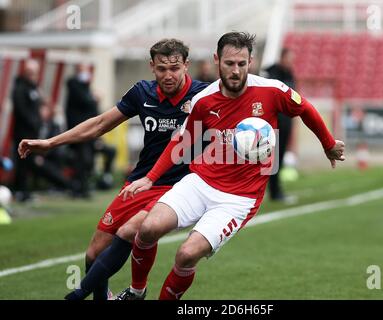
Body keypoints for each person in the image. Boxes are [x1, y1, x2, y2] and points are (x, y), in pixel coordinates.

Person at [115, 31, 345, 300]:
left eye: (242, 64)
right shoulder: (204, 100)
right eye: (229, 64)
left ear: (251, 61)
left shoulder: (272, 90)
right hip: (200, 182)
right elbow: (182, 141)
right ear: (216, 60)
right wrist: (150, 178)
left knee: (187, 253)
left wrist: (328, 144)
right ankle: (136, 292)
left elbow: (305, 109)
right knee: (148, 228)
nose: (236, 71)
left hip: (238, 199)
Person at [18, 39, 209, 300]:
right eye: (162, 68)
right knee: (94, 254)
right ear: (152, 66)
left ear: (186, 65)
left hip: (179, 186)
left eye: (175, 68)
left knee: (132, 230)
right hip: (141, 180)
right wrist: (51, 142)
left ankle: (129, 292)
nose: (168, 75)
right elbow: (99, 124)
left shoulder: (205, 94)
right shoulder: (142, 93)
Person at [12, 59, 74, 201]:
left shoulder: (34, 88)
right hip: (23, 133)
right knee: (23, 163)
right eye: (31, 71)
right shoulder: (21, 88)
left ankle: (25, 191)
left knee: (30, 163)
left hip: (33, 133)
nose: (34, 74)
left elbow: (39, 106)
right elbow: (22, 111)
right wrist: (35, 122)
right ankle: (21, 192)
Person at [65, 63, 116, 196]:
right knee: (83, 159)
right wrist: (94, 98)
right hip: (80, 131)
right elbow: (86, 101)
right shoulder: (74, 84)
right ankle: (80, 188)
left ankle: (97, 181)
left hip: (91, 132)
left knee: (99, 155)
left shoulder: (85, 88)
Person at [261, 48, 296, 201]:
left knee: (278, 159)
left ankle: (275, 190)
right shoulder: (271, 73)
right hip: (273, 123)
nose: (290, 62)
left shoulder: (290, 74)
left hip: (285, 123)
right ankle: (271, 191)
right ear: (282, 58)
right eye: (288, 58)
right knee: (269, 159)